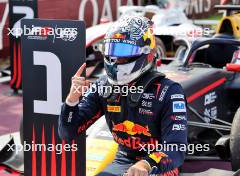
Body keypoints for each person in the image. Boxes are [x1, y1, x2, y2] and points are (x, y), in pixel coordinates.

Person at [59, 15, 187, 176]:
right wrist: (71, 101)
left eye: (123, 52)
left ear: (145, 53)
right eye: (112, 51)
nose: (115, 59)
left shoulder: (169, 91)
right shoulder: (102, 85)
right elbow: (67, 133)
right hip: (123, 160)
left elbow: (176, 149)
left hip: (159, 165)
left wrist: (146, 164)